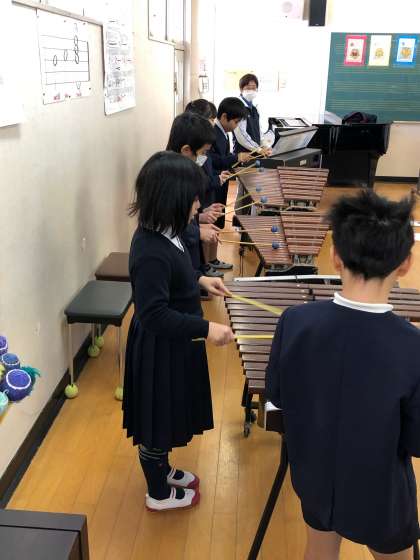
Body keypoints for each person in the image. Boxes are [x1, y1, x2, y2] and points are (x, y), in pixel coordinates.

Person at [266, 190, 420, 560]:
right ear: (405, 264)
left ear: (335, 256)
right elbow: (416, 441)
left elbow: (278, 399)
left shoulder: (294, 322)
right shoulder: (413, 347)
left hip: (314, 479)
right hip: (380, 494)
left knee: (319, 550)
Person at [124, 151, 234, 512]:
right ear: (172, 199)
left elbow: (178, 272)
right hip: (160, 348)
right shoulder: (150, 251)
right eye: (193, 198)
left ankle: (164, 469)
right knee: (157, 421)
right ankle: (158, 493)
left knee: (169, 414)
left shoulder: (169, 233)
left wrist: (200, 279)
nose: (198, 204)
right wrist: (207, 328)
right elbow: (154, 314)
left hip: (177, 342)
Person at [166, 112, 222, 279]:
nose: (204, 158)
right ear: (186, 150)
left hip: (189, 255)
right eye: (203, 152)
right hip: (177, 258)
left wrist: (200, 217)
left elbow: (182, 215)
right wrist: (197, 233)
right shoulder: (170, 179)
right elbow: (168, 225)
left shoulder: (180, 171)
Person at [184, 101, 233, 275]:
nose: (213, 124)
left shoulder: (195, 153)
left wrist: (200, 215)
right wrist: (198, 223)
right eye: (211, 120)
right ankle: (203, 268)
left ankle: (207, 265)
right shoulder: (178, 175)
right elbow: (174, 224)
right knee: (197, 247)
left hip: (204, 199)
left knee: (209, 230)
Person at [211, 97, 251, 228]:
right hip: (215, 185)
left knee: (218, 221)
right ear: (224, 117)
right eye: (236, 122)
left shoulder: (223, 132)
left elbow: (224, 155)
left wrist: (237, 158)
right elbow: (214, 160)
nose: (236, 125)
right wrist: (236, 158)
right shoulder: (213, 133)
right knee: (214, 222)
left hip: (221, 183)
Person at [233, 73, 274, 156]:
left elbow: (259, 132)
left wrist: (265, 146)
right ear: (241, 89)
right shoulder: (238, 107)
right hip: (243, 155)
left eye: (254, 88)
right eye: (248, 88)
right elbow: (241, 135)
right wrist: (258, 149)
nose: (251, 90)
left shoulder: (255, 109)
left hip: (256, 153)